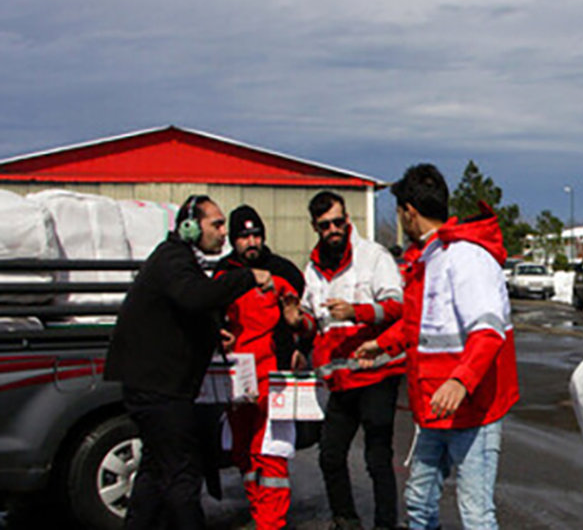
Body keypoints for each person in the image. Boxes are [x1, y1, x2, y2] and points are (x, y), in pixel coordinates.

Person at [356, 163, 519, 530]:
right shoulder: (432, 257)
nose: (400, 221)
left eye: (399, 214)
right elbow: (424, 325)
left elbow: (488, 329)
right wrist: (380, 345)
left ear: (409, 212)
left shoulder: (466, 258)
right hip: (435, 407)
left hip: (472, 409)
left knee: (476, 515)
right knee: (419, 502)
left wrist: (460, 381)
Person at [105, 195, 274, 530]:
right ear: (190, 226)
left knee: (155, 472)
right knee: (183, 475)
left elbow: (180, 311)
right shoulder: (173, 259)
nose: (223, 233)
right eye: (217, 224)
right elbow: (193, 296)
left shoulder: (177, 261)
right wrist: (246, 278)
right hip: (160, 391)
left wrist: (213, 335)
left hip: (158, 387)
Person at [302, 191, 405, 530]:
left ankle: (385, 524)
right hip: (341, 379)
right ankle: (346, 520)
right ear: (315, 227)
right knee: (330, 454)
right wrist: (294, 317)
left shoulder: (373, 257)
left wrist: (357, 311)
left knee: (377, 457)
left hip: (377, 373)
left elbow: (396, 306)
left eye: (337, 221)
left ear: (347, 220)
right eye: (324, 225)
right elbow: (310, 319)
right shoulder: (313, 269)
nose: (332, 229)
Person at [214, 205, 313, 530]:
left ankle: (272, 523)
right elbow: (207, 315)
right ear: (233, 240)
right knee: (243, 452)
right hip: (236, 379)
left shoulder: (284, 272)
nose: (251, 241)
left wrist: (298, 331)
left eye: (256, 234)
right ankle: (260, 512)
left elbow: (307, 318)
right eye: (244, 237)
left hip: (275, 377)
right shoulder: (221, 275)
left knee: (271, 452)